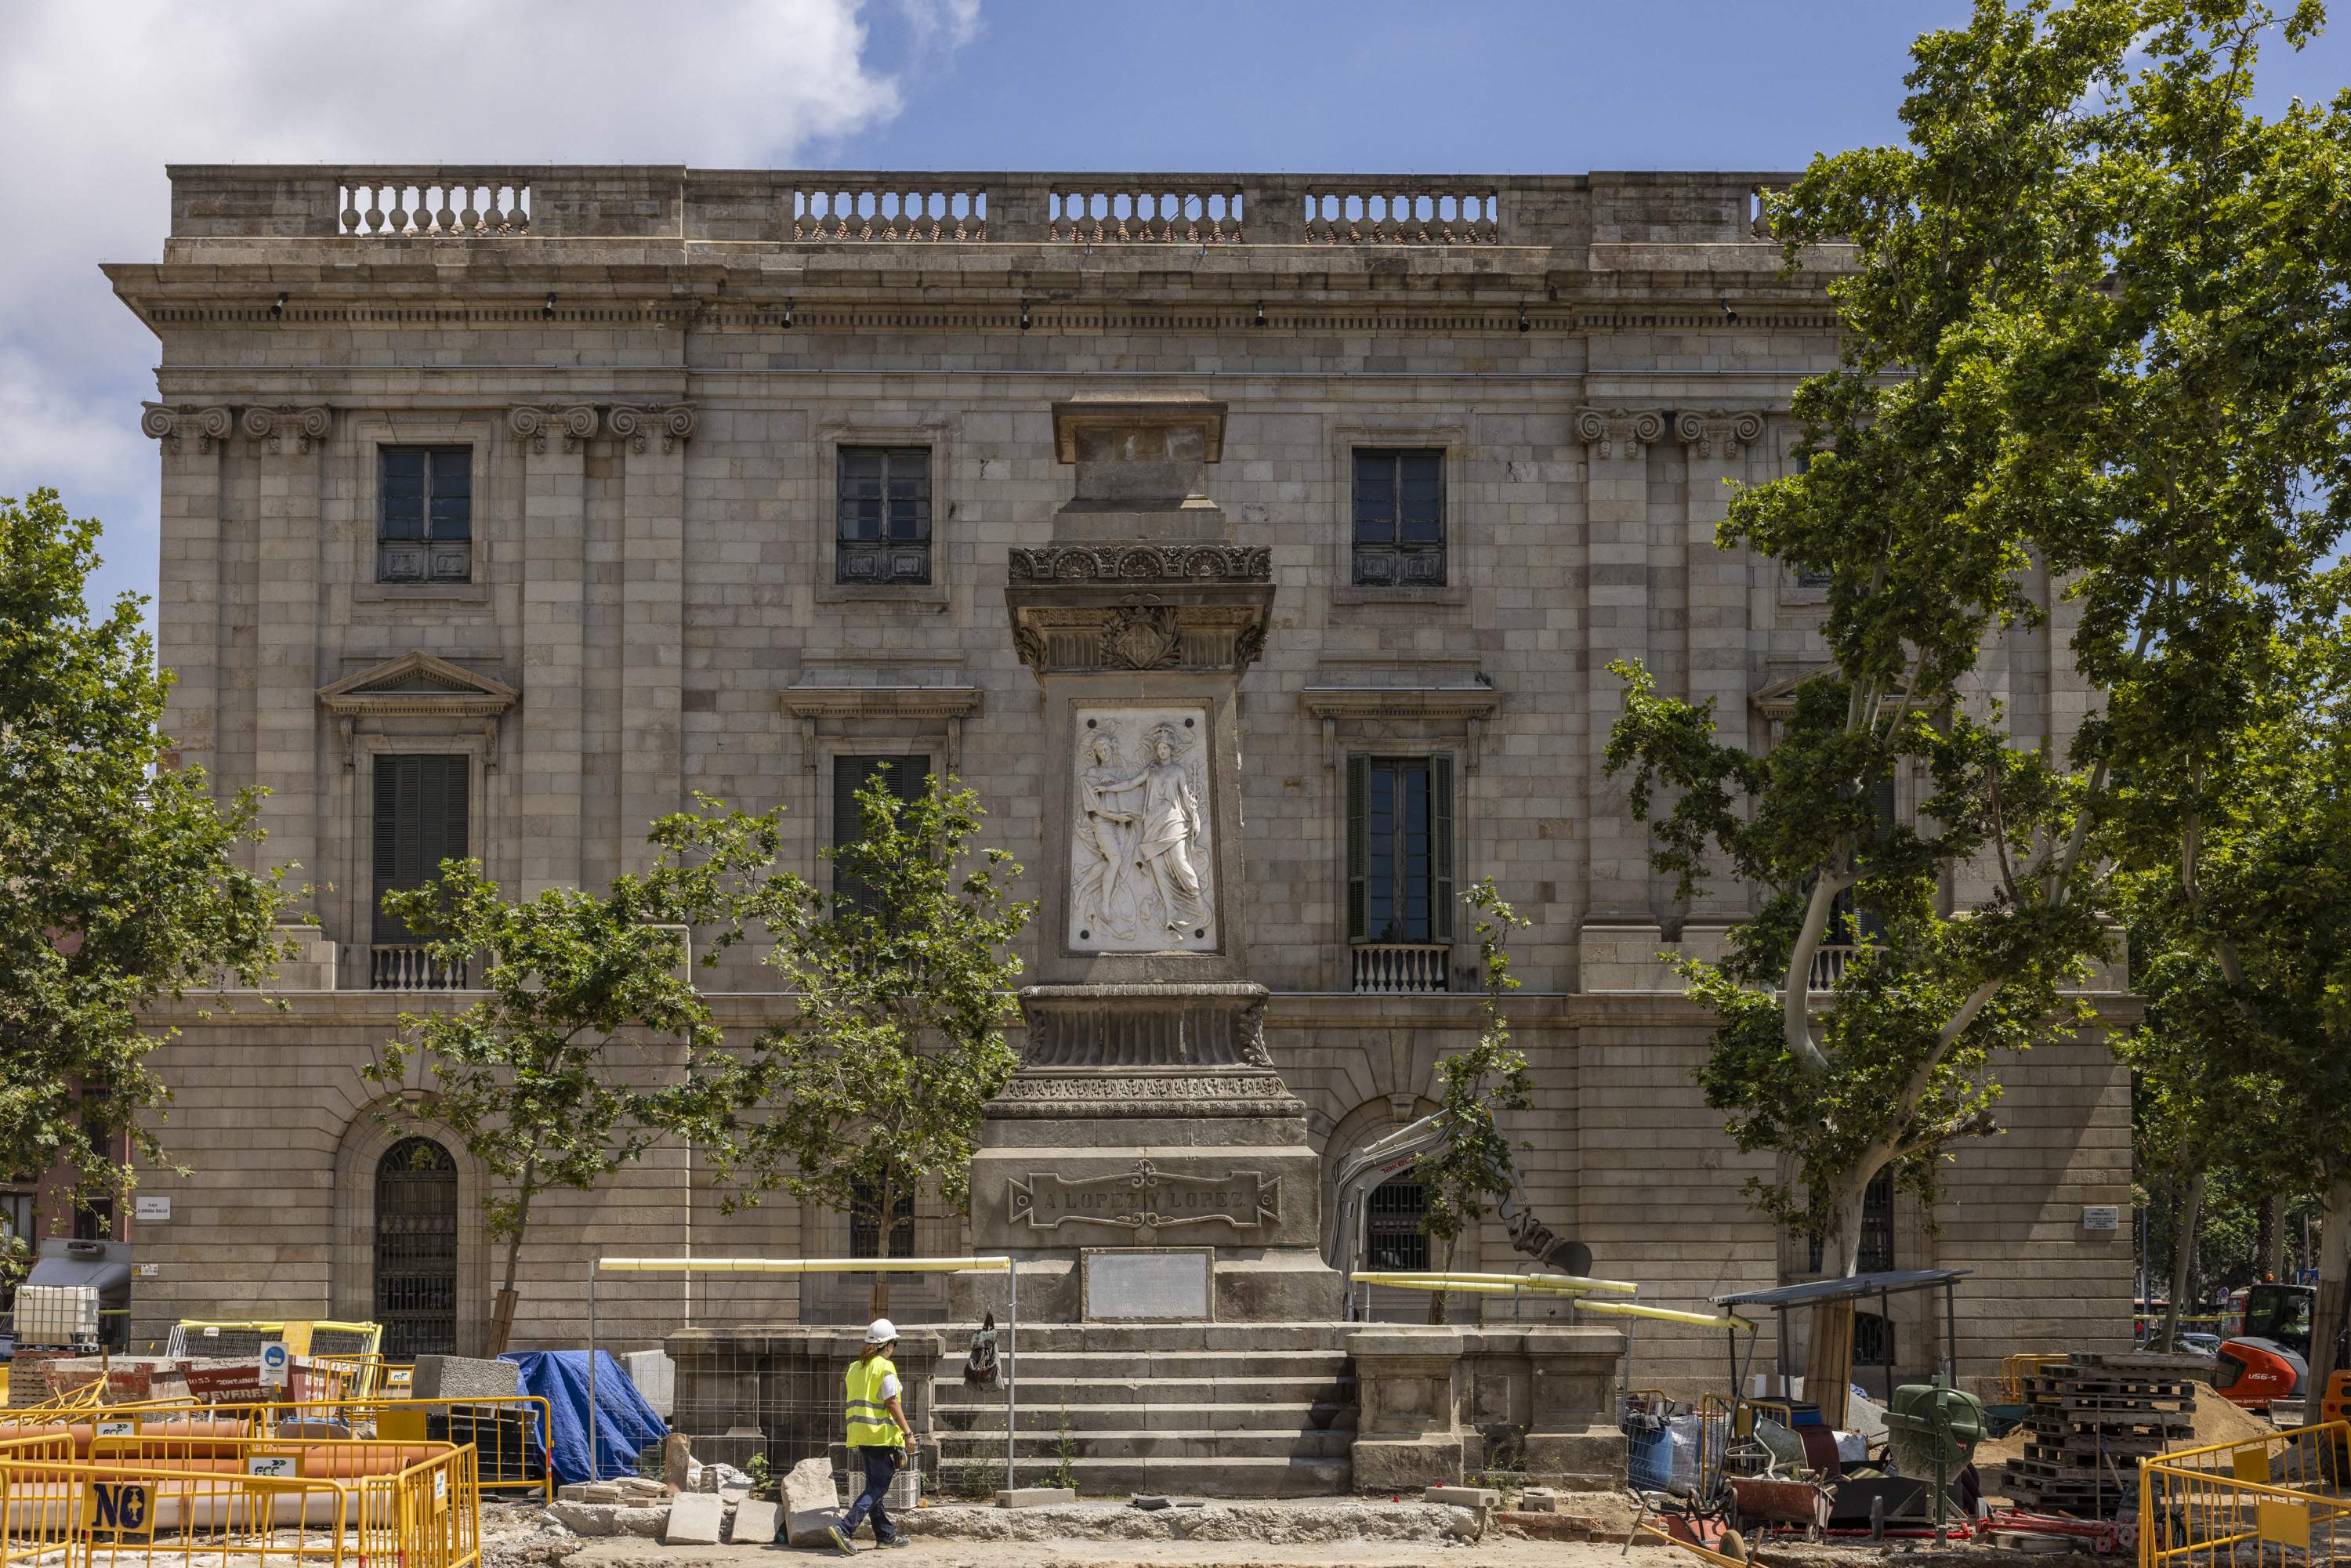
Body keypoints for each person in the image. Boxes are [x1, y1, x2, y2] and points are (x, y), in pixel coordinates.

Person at [828, 1317, 915, 1553]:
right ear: (888, 1345)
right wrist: (908, 1433)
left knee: (873, 1486)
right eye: (894, 1345)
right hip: (881, 1437)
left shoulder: (855, 1368)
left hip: (860, 1434)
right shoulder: (884, 1367)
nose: (894, 1349)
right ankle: (845, 1528)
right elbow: (892, 1404)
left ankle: (885, 1536)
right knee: (878, 1486)